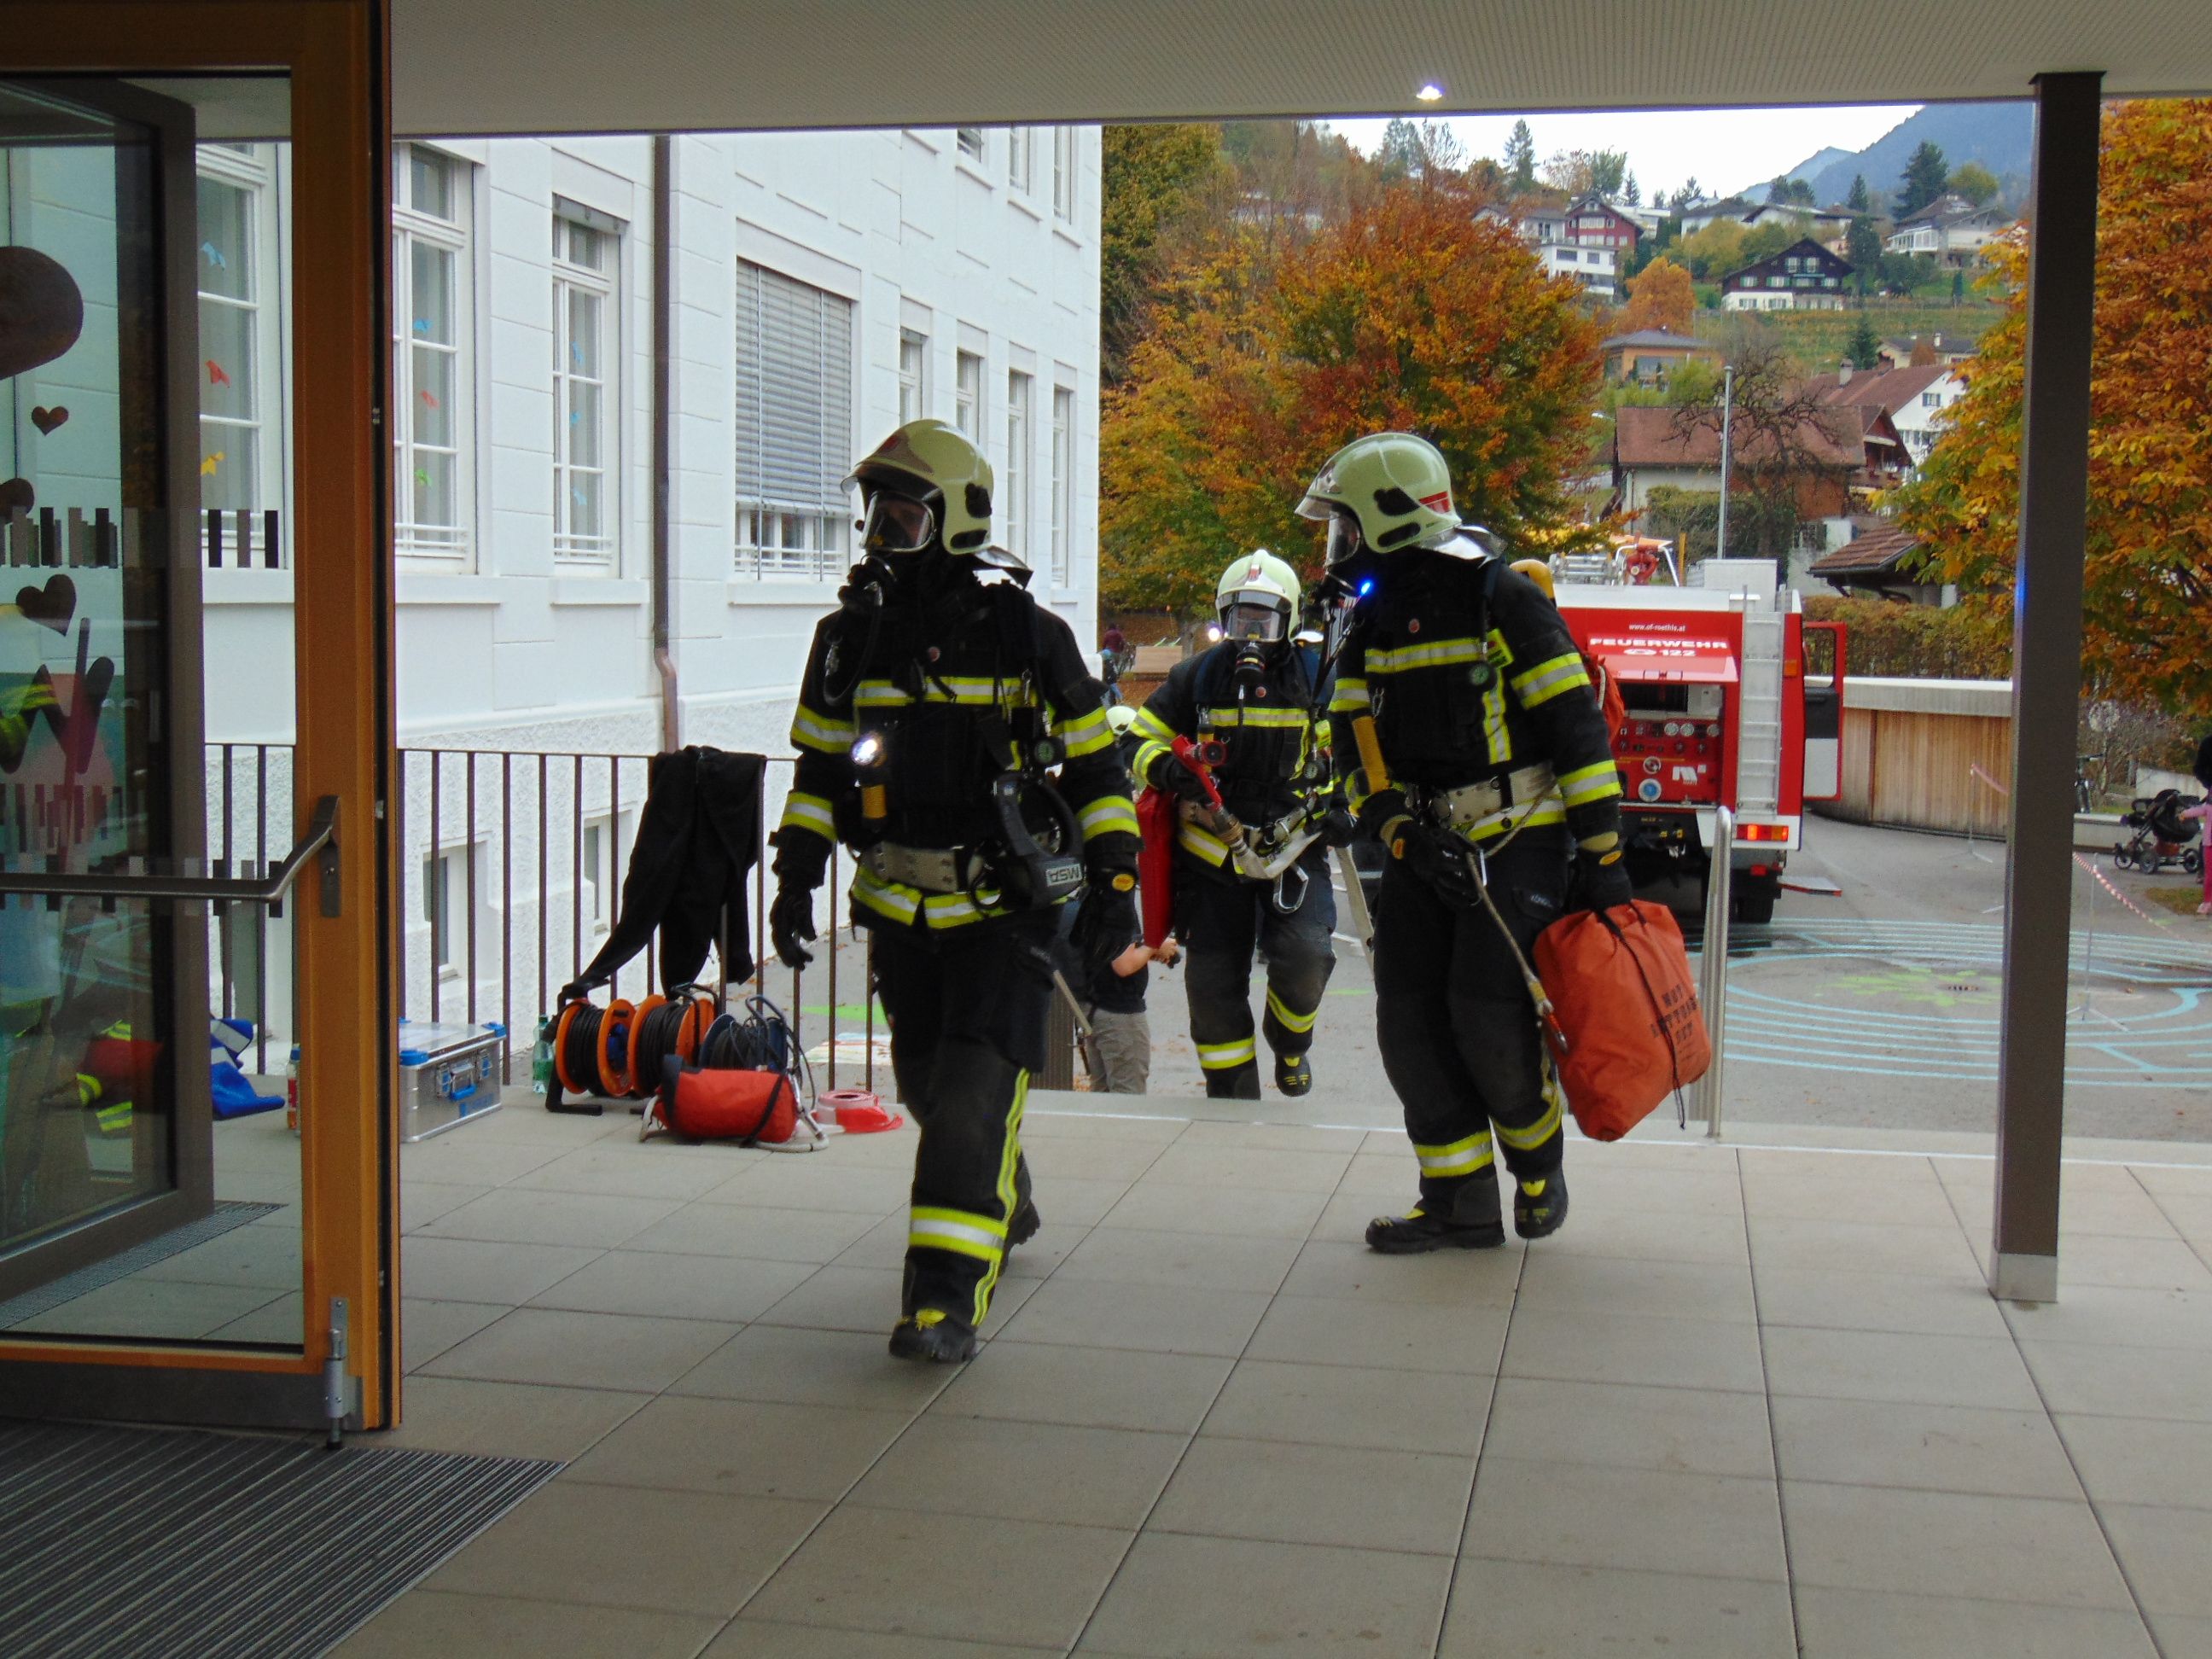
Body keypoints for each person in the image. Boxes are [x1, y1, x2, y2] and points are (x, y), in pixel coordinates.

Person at [768, 418, 1140, 1363]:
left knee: (974, 1094)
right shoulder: (849, 640)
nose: (880, 537)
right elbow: (819, 774)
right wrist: (796, 876)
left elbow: (1098, 773)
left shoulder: (1029, 636)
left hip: (1005, 915)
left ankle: (941, 1306)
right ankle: (1003, 1196)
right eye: (877, 518)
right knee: (932, 1089)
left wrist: (1115, 887)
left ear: (957, 519)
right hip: (901, 913)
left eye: (902, 518)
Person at [1301, 432, 1627, 1249]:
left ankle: (1538, 1163)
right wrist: (1397, 830)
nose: (1337, 546)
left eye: (1345, 526)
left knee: (1485, 1015)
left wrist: (1603, 858)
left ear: (1392, 517)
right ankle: (1459, 1202)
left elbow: (1578, 731)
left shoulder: (1501, 597)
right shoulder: (1369, 620)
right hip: (1425, 845)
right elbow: (1350, 744)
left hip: (1518, 837)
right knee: (1407, 1022)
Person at [1129, 550, 1351, 1098]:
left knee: (1307, 958)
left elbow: (1352, 750)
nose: (1250, 633)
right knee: (1211, 987)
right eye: (1239, 618)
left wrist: (1345, 806)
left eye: (1263, 619)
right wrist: (1166, 770)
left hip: (1292, 850)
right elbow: (1137, 740)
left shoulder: (1320, 677)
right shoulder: (1196, 676)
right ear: (1222, 616)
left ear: (1290, 618)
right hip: (1212, 856)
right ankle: (1232, 1095)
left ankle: (1290, 1041)